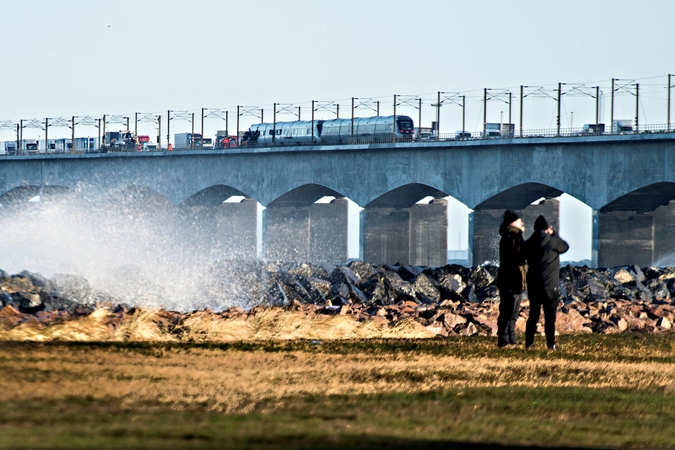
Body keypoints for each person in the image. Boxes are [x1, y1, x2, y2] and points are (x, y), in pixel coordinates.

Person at [524, 215, 569, 350]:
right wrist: (553, 234)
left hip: (533, 285)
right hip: (550, 285)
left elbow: (522, 253)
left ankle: (529, 343)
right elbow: (565, 247)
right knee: (550, 316)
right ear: (547, 229)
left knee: (533, 315)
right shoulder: (552, 242)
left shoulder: (530, 242)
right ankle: (551, 344)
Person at [496, 210, 527, 348]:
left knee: (513, 311)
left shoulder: (515, 237)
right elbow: (514, 258)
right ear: (513, 222)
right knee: (508, 311)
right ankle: (504, 339)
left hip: (515, 279)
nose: (522, 223)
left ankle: (511, 339)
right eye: (519, 220)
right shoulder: (510, 237)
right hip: (511, 278)